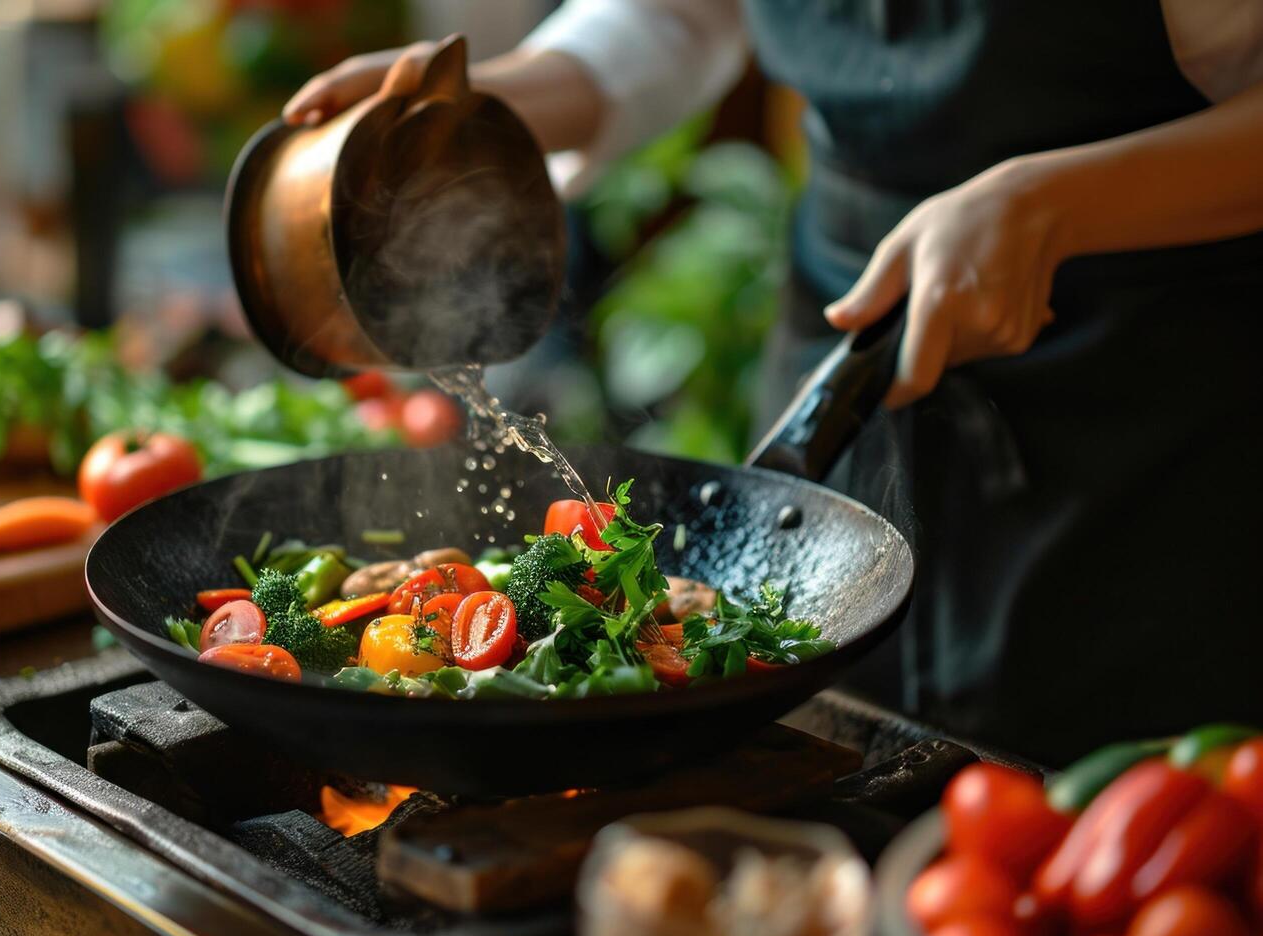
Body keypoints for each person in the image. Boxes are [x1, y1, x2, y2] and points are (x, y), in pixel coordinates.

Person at [283, 1, 1263, 763]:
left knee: (1096, 809)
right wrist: (501, 104)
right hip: (847, 312)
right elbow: (691, 11)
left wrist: (1058, 206)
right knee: (827, 743)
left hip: (1149, 385)